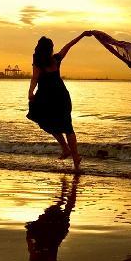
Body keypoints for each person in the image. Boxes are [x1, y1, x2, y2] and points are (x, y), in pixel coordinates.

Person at [27, 31, 92, 169]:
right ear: (50, 49)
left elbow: (35, 78)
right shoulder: (56, 59)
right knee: (67, 127)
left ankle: (67, 150)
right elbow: (69, 45)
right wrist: (82, 35)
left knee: (46, 121)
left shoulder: (39, 61)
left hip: (48, 98)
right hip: (62, 96)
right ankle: (74, 157)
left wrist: (30, 92)